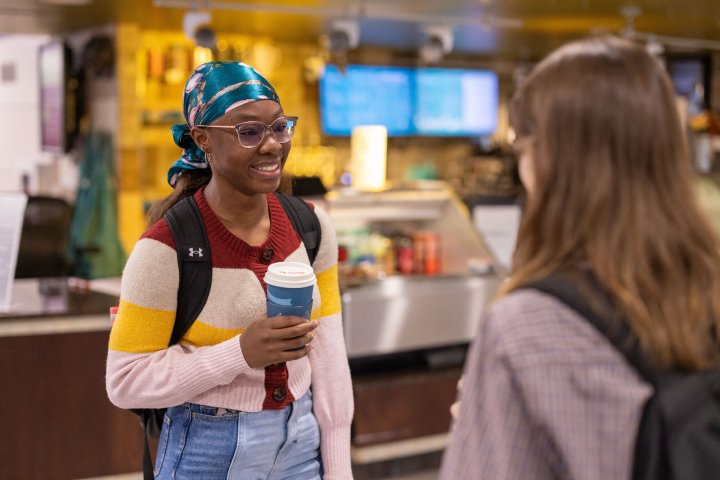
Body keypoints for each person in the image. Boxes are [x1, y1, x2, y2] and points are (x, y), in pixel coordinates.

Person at [440, 36, 720, 479]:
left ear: (547, 161)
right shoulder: (707, 287)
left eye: (523, 152)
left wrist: (485, 422)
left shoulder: (523, 326)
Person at [106, 61, 353, 479]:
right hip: (207, 449)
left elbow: (328, 354)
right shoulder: (166, 248)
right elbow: (125, 381)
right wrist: (239, 353)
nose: (272, 145)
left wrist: (338, 467)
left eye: (279, 127)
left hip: (301, 441)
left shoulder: (310, 227)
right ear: (203, 139)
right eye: (248, 132)